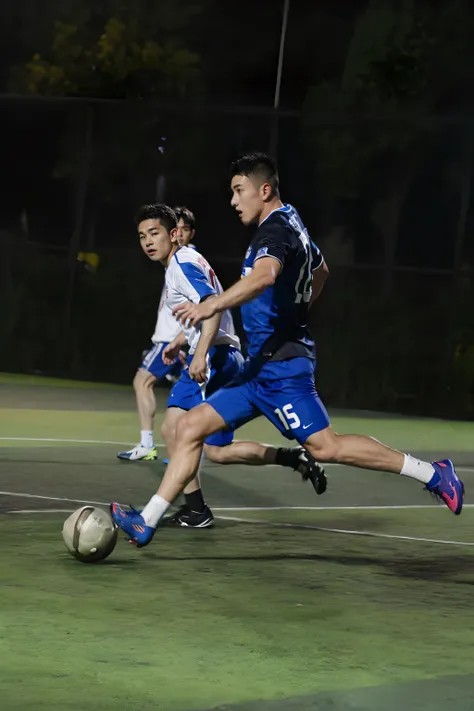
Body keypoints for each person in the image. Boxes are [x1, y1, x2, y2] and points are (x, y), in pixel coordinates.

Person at [111, 153, 464, 547]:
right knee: (188, 428)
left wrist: (213, 304)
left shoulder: (273, 232)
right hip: (258, 367)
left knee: (325, 446)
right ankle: (147, 521)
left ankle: (433, 474)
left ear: (264, 190)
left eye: (238, 190)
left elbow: (265, 276)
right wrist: (295, 317)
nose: (233, 200)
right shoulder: (294, 222)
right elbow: (322, 270)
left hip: (282, 370)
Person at [117, 202, 326, 528]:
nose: (147, 241)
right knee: (216, 450)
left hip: (214, 357)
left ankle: (188, 511)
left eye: (154, 233)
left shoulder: (180, 265)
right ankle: (291, 457)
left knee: (174, 430)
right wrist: (181, 340)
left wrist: (199, 353)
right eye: (143, 235)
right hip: (226, 355)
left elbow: (211, 307)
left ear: (173, 234)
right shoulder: (187, 259)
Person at [116, 206, 197, 462]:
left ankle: (147, 444)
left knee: (142, 381)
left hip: (174, 340)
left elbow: (210, 305)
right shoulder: (173, 264)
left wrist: (179, 339)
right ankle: (184, 449)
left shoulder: (186, 260)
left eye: (184, 230)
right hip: (175, 339)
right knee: (184, 397)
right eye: (143, 236)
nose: (180, 235)